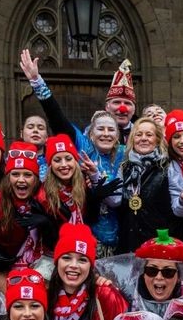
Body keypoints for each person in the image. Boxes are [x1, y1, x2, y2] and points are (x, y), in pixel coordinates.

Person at [20, 49, 126, 248]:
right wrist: (37, 82)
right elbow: (58, 120)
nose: (105, 134)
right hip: (86, 236)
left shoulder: (124, 153)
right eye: (100, 129)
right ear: (91, 134)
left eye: (111, 129)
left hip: (120, 235)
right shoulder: (84, 147)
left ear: (117, 135)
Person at [0, 141, 56, 285]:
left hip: (37, 264)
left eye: (27, 175)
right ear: (8, 178)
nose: (21, 180)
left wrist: (46, 223)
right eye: (15, 174)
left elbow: (56, 244)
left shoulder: (45, 199)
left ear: (36, 179)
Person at [113, 117, 183, 254]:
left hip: (160, 245)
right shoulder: (124, 167)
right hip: (129, 244)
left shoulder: (168, 165)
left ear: (157, 140)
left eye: (149, 134)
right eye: (138, 134)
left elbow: (180, 211)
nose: (143, 138)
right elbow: (115, 201)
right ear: (132, 139)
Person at [97, 229, 183, 316]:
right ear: (143, 273)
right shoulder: (126, 293)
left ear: (179, 276)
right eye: (152, 271)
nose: (159, 277)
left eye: (168, 272)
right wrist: (105, 290)